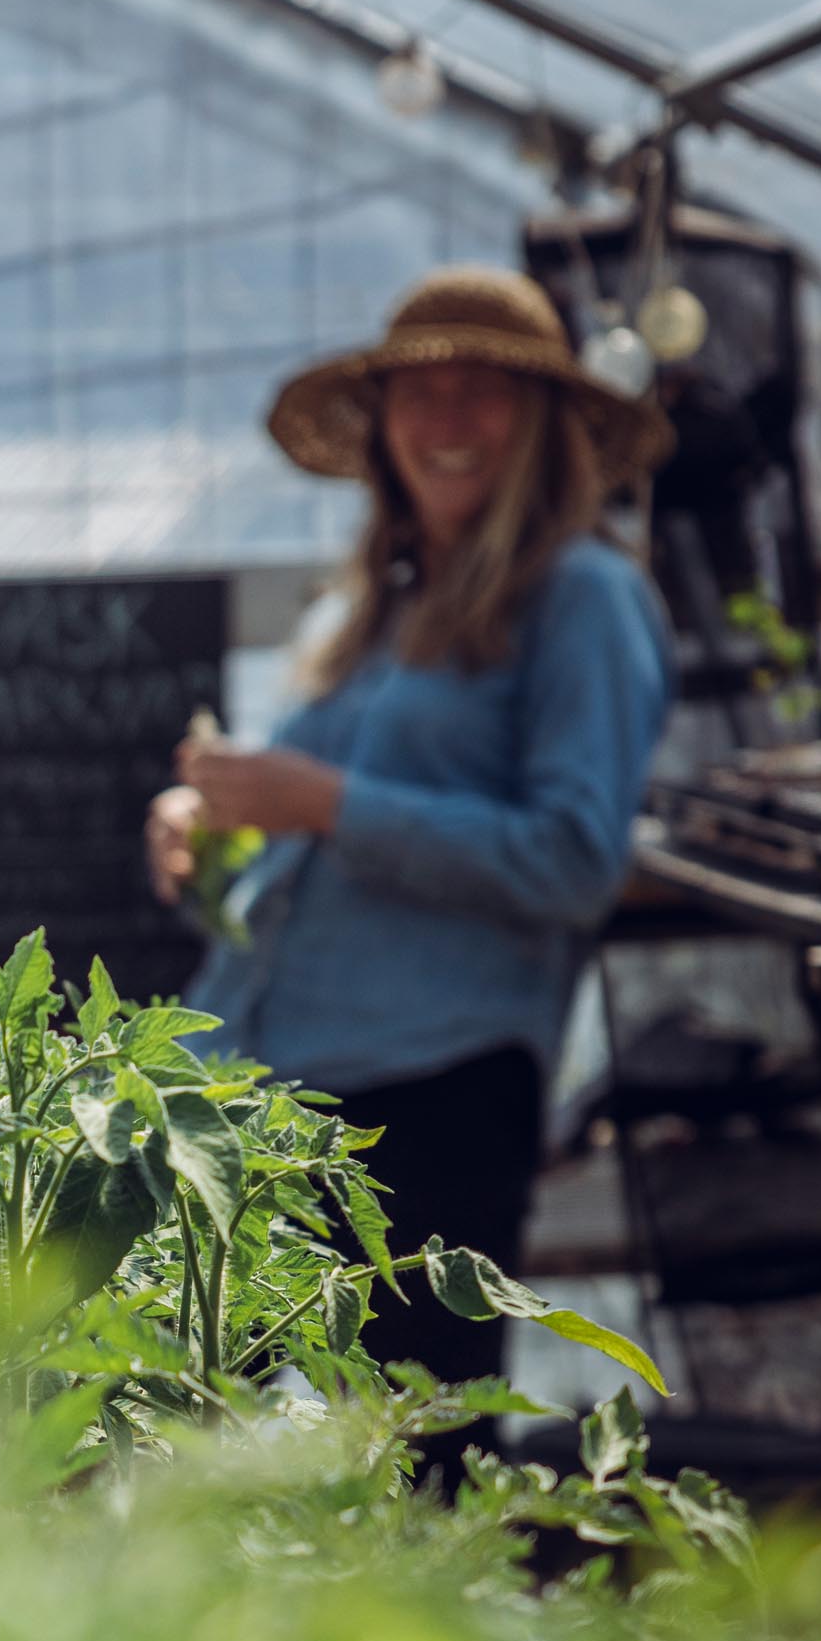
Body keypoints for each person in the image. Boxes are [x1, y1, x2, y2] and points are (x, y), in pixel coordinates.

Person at [145, 265, 674, 1391]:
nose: (446, 421)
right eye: (419, 394)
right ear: (381, 425)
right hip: (264, 1078)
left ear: (540, 425)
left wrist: (322, 804)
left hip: (429, 1101)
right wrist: (210, 816)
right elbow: (306, 806)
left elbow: (576, 859)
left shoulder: (585, 598)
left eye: (485, 393)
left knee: (408, 1459)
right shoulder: (378, 605)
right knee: (169, 1432)